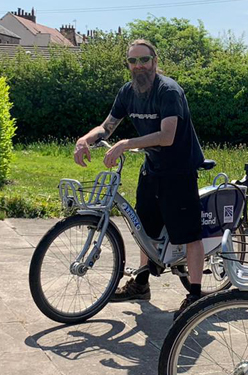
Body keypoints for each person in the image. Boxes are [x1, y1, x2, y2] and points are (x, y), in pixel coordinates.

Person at [73, 39, 206, 318]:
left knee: (189, 233)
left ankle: (195, 294)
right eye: (133, 61)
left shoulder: (168, 91)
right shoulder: (128, 92)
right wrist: (85, 138)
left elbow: (166, 136)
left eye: (144, 60)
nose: (139, 66)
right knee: (144, 228)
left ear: (155, 62)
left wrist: (126, 144)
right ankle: (141, 283)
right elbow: (107, 127)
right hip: (153, 168)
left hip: (179, 170)